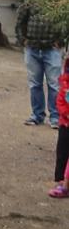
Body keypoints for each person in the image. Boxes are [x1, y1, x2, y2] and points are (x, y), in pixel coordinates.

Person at [16, 0, 61, 127]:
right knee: (35, 84)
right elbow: (20, 22)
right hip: (32, 48)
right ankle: (37, 115)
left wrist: (61, 41)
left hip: (52, 49)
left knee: (54, 84)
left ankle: (55, 118)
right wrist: (22, 40)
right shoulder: (30, 1)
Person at [51, 59, 69, 198]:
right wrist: (66, 114)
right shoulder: (65, 83)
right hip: (65, 124)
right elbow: (60, 101)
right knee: (62, 153)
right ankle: (61, 181)